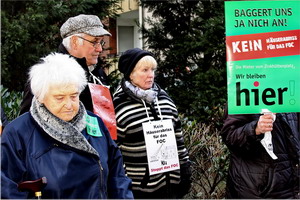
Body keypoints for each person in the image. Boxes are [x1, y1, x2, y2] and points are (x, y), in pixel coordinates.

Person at [1, 53, 133, 199]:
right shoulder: (17, 133)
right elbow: (7, 190)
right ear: (40, 96)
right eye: (60, 98)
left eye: (74, 95)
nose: (69, 105)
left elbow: (117, 177)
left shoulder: (95, 122)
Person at [113, 48, 192, 199]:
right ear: (130, 73)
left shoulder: (164, 99)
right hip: (140, 190)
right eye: (145, 70)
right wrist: (124, 184)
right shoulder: (119, 105)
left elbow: (178, 138)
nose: (151, 75)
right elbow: (114, 150)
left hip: (171, 186)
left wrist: (185, 168)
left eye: (153, 70)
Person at [20, 14, 111, 115]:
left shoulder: (97, 72)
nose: (100, 49)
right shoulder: (48, 73)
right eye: (94, 42)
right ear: (75, 42)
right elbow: (27, 121)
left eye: (101, 42)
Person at [220, 106, 300, 198]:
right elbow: (230, 137)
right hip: (258, 190)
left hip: (291, 188)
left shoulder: (289, 95)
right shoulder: (242, 94)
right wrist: (255, 129)